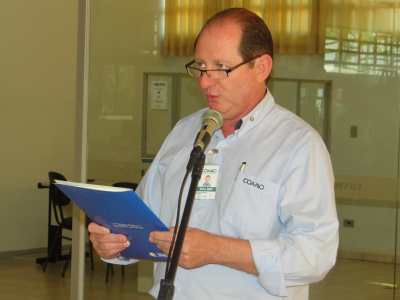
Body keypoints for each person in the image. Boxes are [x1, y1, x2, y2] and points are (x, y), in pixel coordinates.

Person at [88, 7, 339, 300]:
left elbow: (316, 253)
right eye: (200, 66)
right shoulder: (184, 131)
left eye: (221, 67)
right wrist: (116, 243)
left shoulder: (298, 145)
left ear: (261, 68)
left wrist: (217, 250)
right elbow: (145, 218)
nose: (206, 81)